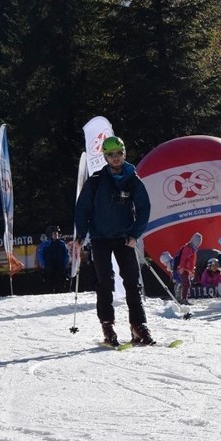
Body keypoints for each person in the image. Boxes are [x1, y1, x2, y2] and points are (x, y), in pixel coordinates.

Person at [74, 135, 154, 347]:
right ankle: (107, 326)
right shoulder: (96, 181)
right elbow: (83, 209)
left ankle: (138, 326)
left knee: (132, 282)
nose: (115, 158)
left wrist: (135, 234)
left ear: (124, 153)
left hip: (124, 238)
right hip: (100, 238)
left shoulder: (133, 180)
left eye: (118, 154)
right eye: (111, 155)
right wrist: (80, 236)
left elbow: (144, 208)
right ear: (105, 157)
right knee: (105, 282)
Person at [36, 225, 69, 293]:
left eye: (57, 233)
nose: (56, 234)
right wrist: (43, 265)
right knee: (50, 286)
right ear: (50, 234)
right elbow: (40, 255)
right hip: (49, 268)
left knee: (61, 285)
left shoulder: (62, 244)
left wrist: (65, 264)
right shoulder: (44, 245)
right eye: (54, 233)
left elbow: (66, 254)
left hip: (60, 267)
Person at [175, 232, 203, 305]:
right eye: (198, 241)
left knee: (186, 283)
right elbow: (184, 258)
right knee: (186, 283)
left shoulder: (192, 249)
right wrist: (181, 267)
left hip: (186, 269)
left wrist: (191, 270)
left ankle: (181, 297)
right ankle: (183, 299)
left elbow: (191, 261)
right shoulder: (189, 248)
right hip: (183, 268)